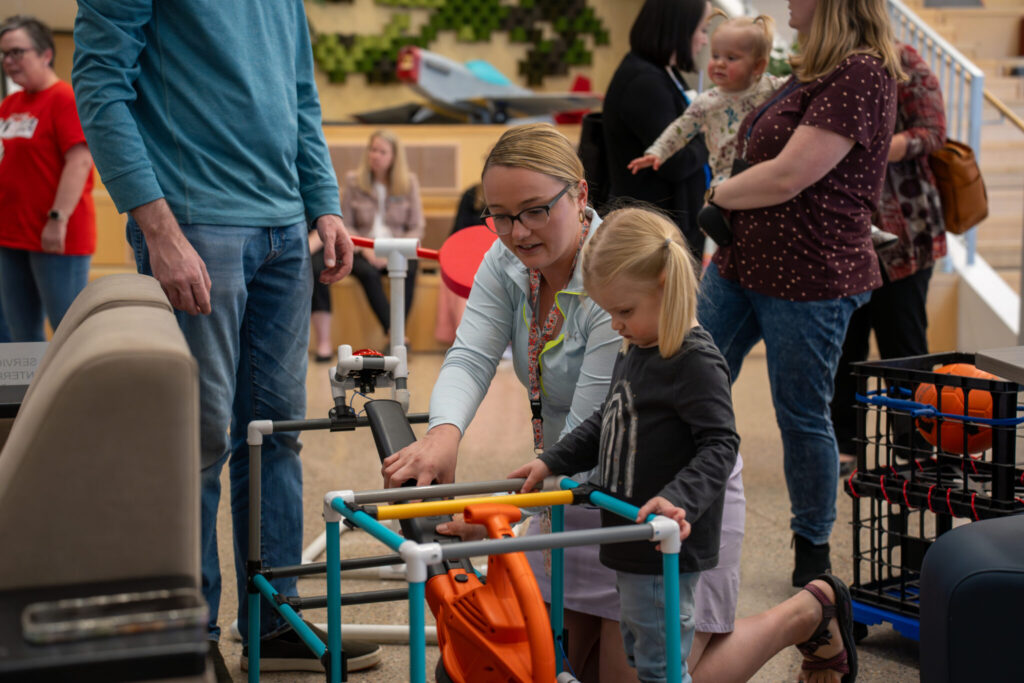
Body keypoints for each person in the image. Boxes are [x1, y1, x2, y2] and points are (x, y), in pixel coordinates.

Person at [71, 1, 381, 676]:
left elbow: (300, 94)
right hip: (195, 224)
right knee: (197, 438)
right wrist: (157, 228)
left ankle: (274, 620)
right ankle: (186, 632)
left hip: (283, 230)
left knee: (275, 436)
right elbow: (99, 88)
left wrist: (323, 201)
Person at [696, 0, 902, 588]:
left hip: (810, 275)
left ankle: (812, 549)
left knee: (801, 414)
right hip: (743, 262)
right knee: (683, 376)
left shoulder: (862, 72)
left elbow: (790, 174)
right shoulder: (810, 68)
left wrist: (719, 195)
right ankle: (680, 510)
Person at [510, 207, 739, 683]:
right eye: (609, 312)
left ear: (664, 286)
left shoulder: (694, 360)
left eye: (624, 311)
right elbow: (606, 423)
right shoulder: (638, 347)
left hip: (660, 545)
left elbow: (720, 445)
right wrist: (551, 460)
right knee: (642, 656)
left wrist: (678, 499)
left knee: (660, 667)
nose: (615, 324)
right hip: (628, 540)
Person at [832, 41, 948, 475]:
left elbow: (932, 132)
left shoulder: (904, 61)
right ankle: (846, 444)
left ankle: (914, 447)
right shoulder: (826, 64)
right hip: (844, 235)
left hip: (906, 233)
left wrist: (874, 147)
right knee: (845, 347)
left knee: (904, 346)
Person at [0, 15, 95, 342]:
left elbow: (80, 160)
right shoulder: (10, 104)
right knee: (20, 336)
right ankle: (30, 396)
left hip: (56, 236)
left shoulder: (64, 99)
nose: (8, 62)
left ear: (45, 54)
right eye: (4, 55)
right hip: (11, 235)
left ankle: (81, 395)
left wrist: (58, 218)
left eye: (16, 52)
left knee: (69, 333)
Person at [602, 0, 712, 262]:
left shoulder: (664, 72)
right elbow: (673, 161)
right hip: (656, 231)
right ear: (680, 29)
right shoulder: (645, 82)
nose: (704, 41)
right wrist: (707, 136)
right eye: (702, 30)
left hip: (672, 224)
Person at [628, 12, 783, 187]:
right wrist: (658, 152)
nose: (719, 63)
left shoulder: (771, 87)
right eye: (715, 56)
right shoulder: (708, 100)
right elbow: (681, 127)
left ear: (757, 66)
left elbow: (803, 89)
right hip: (726, 177)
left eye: (731, 58)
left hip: (765, 173)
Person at [342, 129, 425, 338]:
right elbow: (345, 224)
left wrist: (392, 251)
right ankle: (395, 334)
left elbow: (417, 226)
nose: (375, 155)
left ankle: (396, 333)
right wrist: (367, 249)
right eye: (372, 149)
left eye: (382, 151)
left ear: (394, 156)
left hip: (397, 249)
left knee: (410, 268)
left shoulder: (408, 182)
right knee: (367, 273)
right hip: (363, 249)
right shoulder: (353, 181)